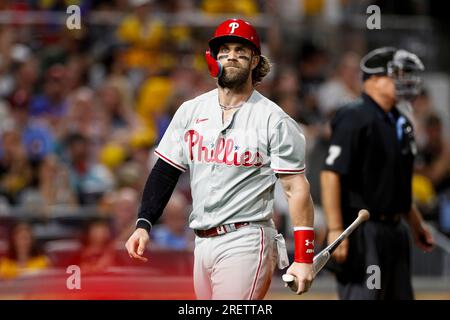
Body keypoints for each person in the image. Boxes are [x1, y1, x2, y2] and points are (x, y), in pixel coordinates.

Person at [126, 18, 316, 299]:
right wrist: (144, 224)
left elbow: (295, 187)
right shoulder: (191, 110)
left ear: (255, 61)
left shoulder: (273, 119)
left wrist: (303, 256)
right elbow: (165, 171)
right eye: (225, 49)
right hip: (201, 241)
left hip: (247, 238)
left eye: (241, 50)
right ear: (213, 58)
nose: (232, 55)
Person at [320, 47, 435, 300]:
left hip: (396, 231)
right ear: (373, 78)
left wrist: (416, 226)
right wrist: (336, 230)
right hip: (362, 229)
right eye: (397, 74)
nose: (404, 80)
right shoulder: (354, 114)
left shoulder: (401, 122)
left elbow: (400, 184)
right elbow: (331, 174)